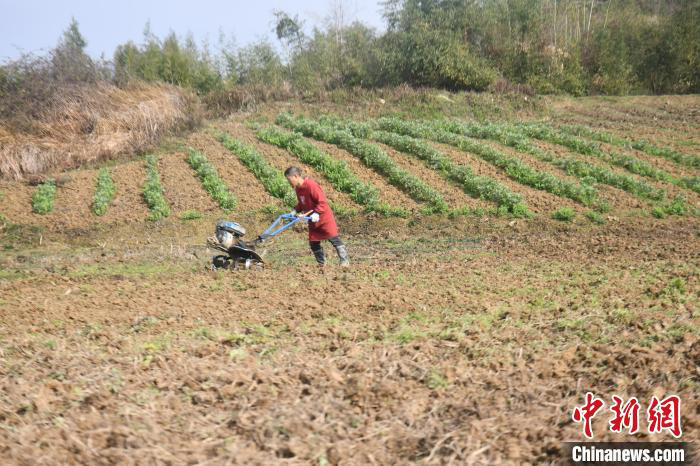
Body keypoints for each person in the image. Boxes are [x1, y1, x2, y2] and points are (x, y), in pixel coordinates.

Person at [285, 166, 350, 267]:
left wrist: (316, 213)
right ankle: (321, 264)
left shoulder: (311, 185)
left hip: (324, 218)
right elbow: (302, 203)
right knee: (313, 242)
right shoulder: (298, 189)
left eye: (289, 180)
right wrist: (294, 211)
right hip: (312, 219)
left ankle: (345, 261)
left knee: (333, 238)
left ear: (296, 176)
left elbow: (322, 202)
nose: (289, 183)